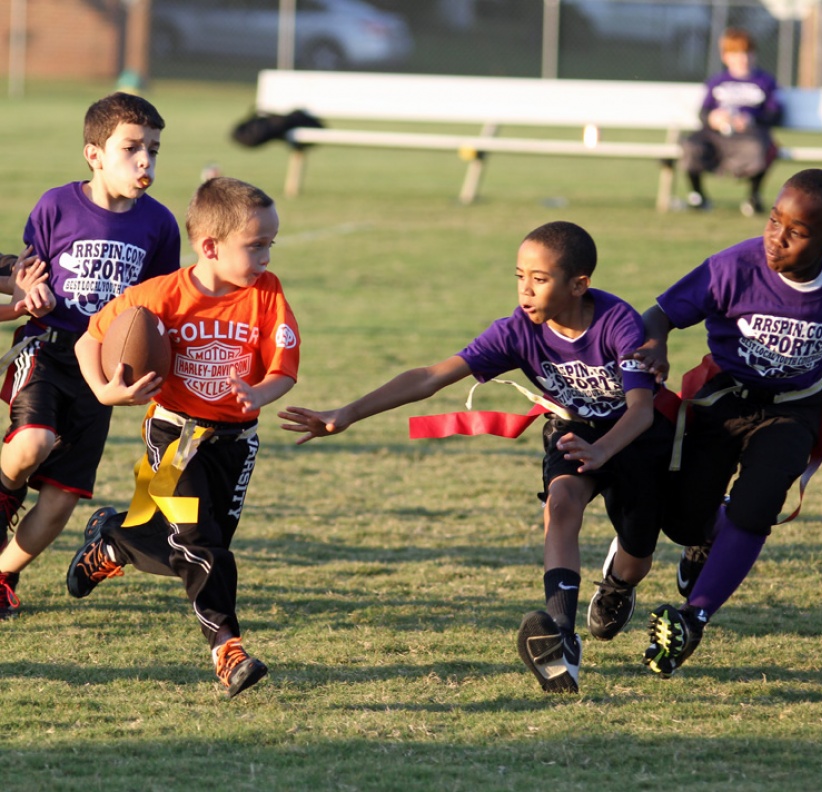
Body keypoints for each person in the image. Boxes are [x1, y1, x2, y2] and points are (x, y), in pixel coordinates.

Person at [278, 220, 674, 694]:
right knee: (561, 503)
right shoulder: (515, 331)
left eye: (540, 279)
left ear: (578, 284)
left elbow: (642, 412)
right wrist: (347, 413)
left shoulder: (617, 323)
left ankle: (617, 587)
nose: (525, 291)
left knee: (636, 558)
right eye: (519, 276)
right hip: (573, 431)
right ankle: (561, 638)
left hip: (632, 441)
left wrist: (604, 450)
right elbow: (429, 377)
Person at [627, 168, 822, 677]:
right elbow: (658, 314)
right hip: (722, 402)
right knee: (684, 522)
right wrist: (655, 344)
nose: (777, 238)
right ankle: (707, 536)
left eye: (797, 231)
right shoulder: (734, 265)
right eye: (774, 220)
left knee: (757, 508)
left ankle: (693, 618)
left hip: (794, 409)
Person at [66, 177, 299, 698]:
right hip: (175, 433)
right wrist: (104, 391)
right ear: (210, 246)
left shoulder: (267, 292)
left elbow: (283, 369)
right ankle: (227, 650)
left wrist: (260, 394)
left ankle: (116, 539)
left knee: (197, 548)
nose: (265, 256)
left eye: (270, 245)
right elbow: (91, 339)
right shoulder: (158, 296)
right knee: (200, 544)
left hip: (235, 441)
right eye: (255, 245)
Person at [0, 92, 181, 619]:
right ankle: (6, 494)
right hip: (48, 349)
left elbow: (154, 308)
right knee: (34, 442)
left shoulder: (160, 225)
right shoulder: (57, 204)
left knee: (62, 496)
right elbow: (26, 275)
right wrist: (27, 291)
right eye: (131, 148)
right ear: (94, 154)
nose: (145, 160)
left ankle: (4, 574)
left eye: (153, 149)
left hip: (103, 369)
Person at [681, 27, 783, 217]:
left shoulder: (765, 81)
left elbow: (775, 114)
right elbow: (703, 112)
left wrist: (751, 119)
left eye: (747, 52)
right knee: (691, 144)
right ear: (725, 56)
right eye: (735, 53)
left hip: (749, 134)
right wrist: (713, 118)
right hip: (717, 133)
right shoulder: (717, 81)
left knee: (761, 148)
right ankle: (697, 196)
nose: (742, 58)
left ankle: (753, 197)